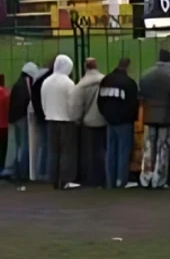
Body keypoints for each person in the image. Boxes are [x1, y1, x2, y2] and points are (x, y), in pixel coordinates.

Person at [140, 49, 170, 189]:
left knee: (149, 147)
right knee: (163, 149)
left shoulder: (146, 75)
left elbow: (141, 95)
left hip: (149, 115)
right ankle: (159, 180)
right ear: (169, 59)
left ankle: (145, 178)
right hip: (167, 116)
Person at [98, 58, 138, 189]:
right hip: (124, 122)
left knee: (111, 151)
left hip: (110, 121)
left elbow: (100, 102)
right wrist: (132, 119)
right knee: (123, 152)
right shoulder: (129, 83)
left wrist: (106, 115)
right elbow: (133, 104)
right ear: (128, 67)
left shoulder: (106, 80)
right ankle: (121, 181)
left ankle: (110, 181)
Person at [42, 54, 79, 190]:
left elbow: (43, 101)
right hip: (66, 120)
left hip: (50, 119)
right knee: (66, 152)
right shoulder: (68, 83)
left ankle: (53, 178)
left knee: (53, 151)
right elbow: (73, 103)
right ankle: (66, 179)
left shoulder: (46, 82)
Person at [73, 58, 107, 187]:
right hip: (103, 120)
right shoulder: (104, 80)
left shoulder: (81, 85)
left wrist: (77, 119)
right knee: (102, 151)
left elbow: (77, 106)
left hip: (88, 122)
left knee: (89, 154)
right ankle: (103, 177)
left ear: (85, 67)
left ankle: (91, 179)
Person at [2, 63, 37, 182]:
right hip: (21, 118)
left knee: (18, 145)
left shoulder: (19, 84)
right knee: (23, 145)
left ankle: (14, 170)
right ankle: (20, 171)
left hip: (15, 118)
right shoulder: (24, 85)